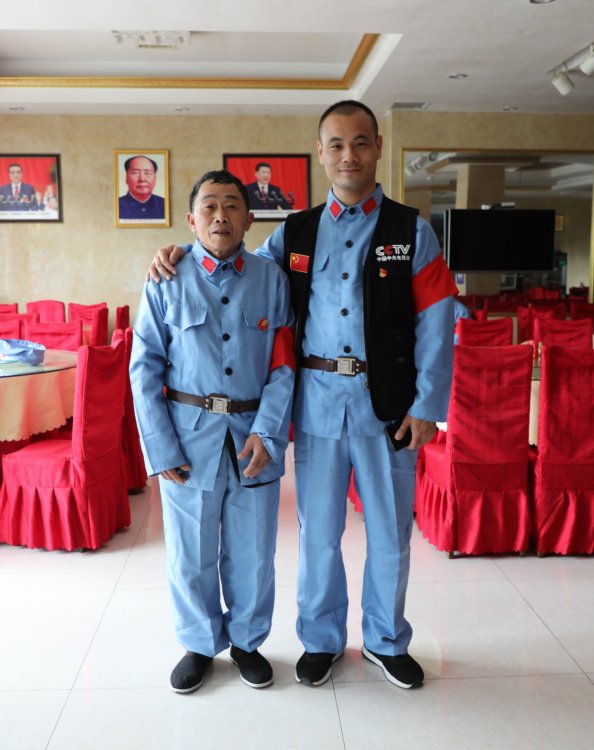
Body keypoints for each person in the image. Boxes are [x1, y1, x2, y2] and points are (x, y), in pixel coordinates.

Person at [148, 100, 457, 691]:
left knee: (390, 534)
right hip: (316, 405)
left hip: (389, 407)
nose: (349, 155)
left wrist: (427, 406)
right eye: (336, 144)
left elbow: (438, 319)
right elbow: (234, 266)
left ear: (378, 147)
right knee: (318, 534)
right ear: (321, 153)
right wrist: (179, 254)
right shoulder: (294, 232)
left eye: (360, 142)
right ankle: (321, 638)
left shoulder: (411, 231)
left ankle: (386, 640)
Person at [130, 169, 295, 694]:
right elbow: (143, 368)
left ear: (249, 219)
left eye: (231, 205)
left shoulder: (272, 279)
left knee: (253, 551)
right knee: (190, 551)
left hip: (252, 437)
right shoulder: (165, 277)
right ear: (191, 220)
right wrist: (160, 448)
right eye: (209, 206)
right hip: (187, 437)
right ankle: (199, 644)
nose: (220, 215)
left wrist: (269, 433)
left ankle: (246, 642)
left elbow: (283, 365)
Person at [118, 155, 165, 220]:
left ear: (155, 179)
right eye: (135, 173)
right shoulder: (117, 205)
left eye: (147, 173)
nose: (142, 179)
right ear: (126, 178)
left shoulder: (165, 204)